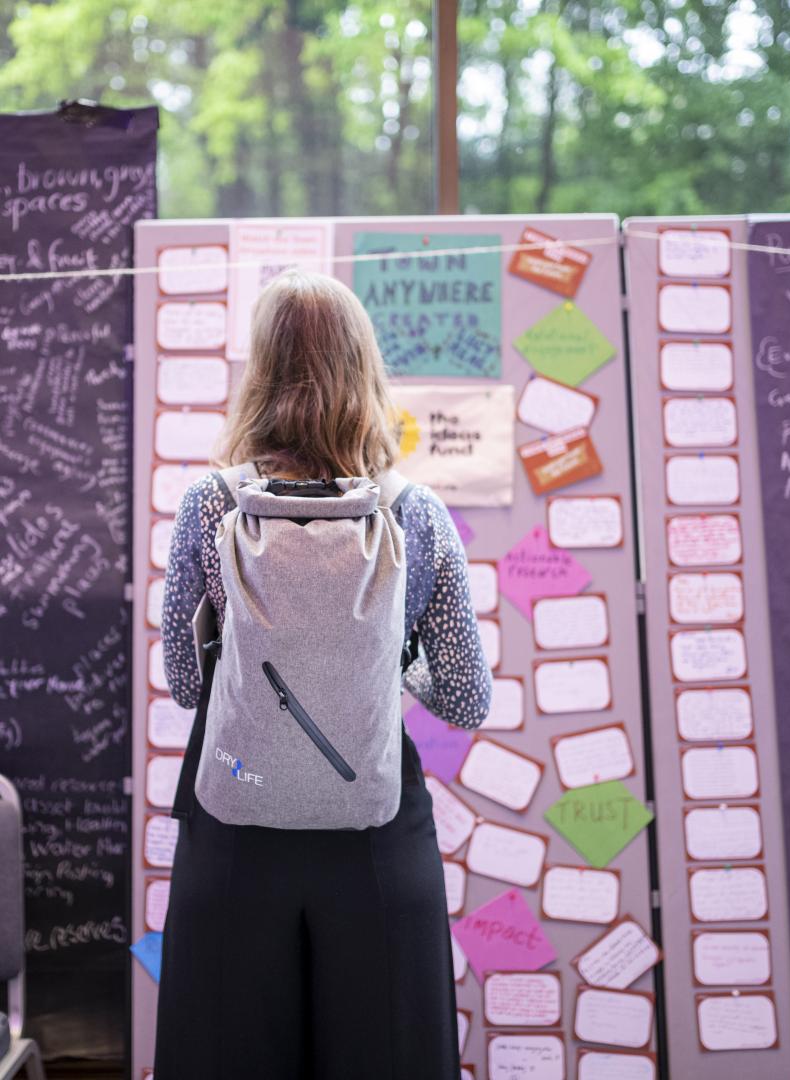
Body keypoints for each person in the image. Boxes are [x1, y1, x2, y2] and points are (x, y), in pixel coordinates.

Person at [154, 269, 492, 1080]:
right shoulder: (414, 513)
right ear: (363, 370)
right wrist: (386, 665)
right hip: (374, 839)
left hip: (236, 819)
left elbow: (188, 684)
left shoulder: (211, 505)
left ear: (259, 372)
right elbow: (468, 698)